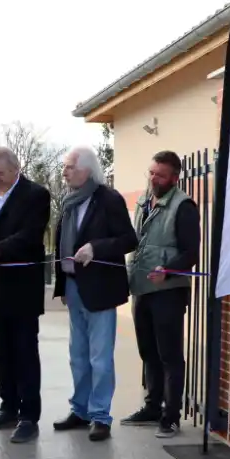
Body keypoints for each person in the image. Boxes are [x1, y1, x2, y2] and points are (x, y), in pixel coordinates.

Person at [51, 146, 138, 442]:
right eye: (65, 167)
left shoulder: (108, 199)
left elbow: (129, 239)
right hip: (75, 287)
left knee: (100, 358)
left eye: (70, 166)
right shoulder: (69, 202)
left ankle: (100, 415)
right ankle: (81, 411)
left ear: (87, 170)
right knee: (78, 356)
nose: (65, 172)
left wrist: (96, 247)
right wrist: (62, 285)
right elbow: (61, 246)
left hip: (101, 289)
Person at [0, 146, 50, 443]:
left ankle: (29, 416)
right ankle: (8, 407)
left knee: (25, 351)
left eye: (0, 173)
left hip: (21, 289)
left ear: (16, 169)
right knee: (2, 351)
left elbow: (30, 234)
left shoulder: (35, 195)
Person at [121, 150, 200, 439]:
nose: (154, 178)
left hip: (168, 291)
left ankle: (171, 416)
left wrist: (168, 270)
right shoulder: (144, 199)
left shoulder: (184, 207)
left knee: (169, 355)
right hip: (142, 288)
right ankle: (152, 406)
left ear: (174, 179)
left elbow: (191, 252)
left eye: (160, 175)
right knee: (147, 352)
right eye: (151, 172)